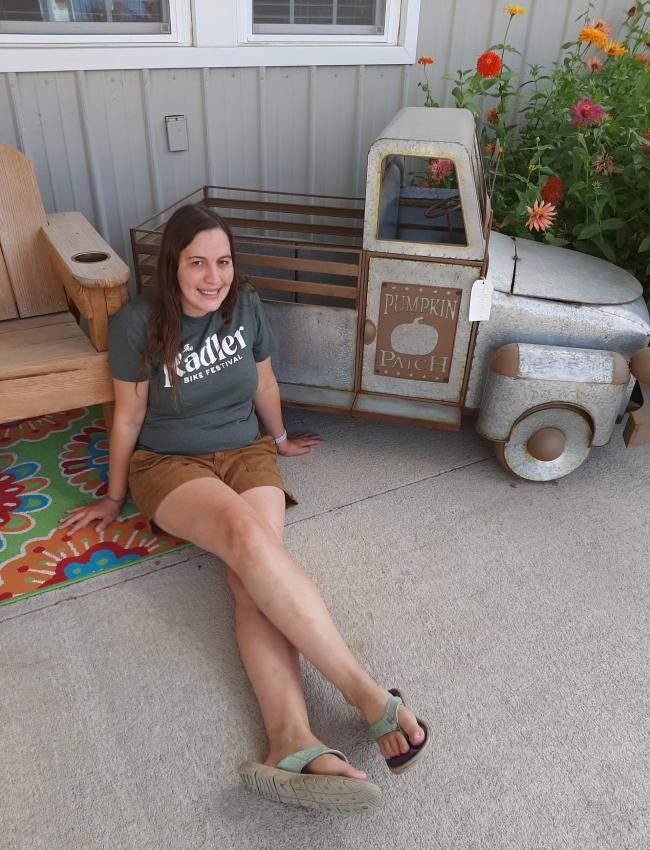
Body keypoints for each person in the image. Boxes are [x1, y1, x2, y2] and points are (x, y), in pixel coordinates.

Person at [60, 204, 430, 815]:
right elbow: (126, 416)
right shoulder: (137, 325)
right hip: (170, 463)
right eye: (197, 263)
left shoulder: (245, 306)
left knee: (250, 569)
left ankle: (290, 739)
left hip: (246, 451)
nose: (213, 277)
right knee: (242, 533)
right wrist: (113, 494)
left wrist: (280, 440)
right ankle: (366, 694)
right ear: (171, 267)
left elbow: (264, 383)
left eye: (223, 261)